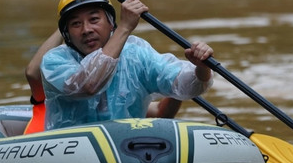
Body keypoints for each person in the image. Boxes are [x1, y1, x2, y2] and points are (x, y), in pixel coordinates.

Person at [38, 0, 213, 130]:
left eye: (94, 19)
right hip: (71, 152)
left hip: (128, 148)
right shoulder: (54, 61)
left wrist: (201, 67)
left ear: (110, 23)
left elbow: (185, 85)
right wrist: (125, 27)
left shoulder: (136, 53)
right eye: (76, 24)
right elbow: (88, 85)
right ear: (67, 33)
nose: (86, 30)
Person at [23, 29, 183, 133]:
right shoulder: (58, 83)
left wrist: (179, 80)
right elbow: (33, 73)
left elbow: (161, 113)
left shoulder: (119, 98)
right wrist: (65, 26)